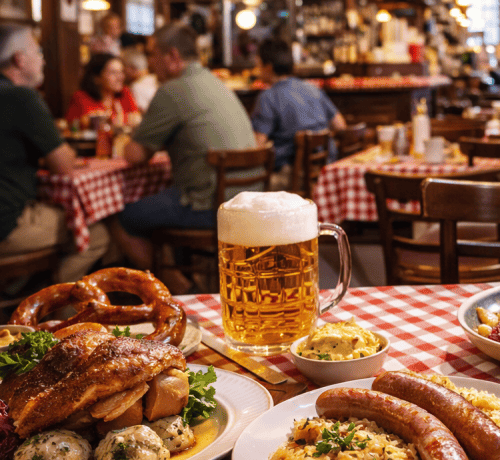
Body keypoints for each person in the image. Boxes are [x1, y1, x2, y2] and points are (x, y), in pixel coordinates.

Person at [0, 24, 110, 284]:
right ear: (19, 59)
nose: (43, 59)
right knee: (97, 234)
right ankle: (48, 309)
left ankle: (13, 296)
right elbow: (63, 165)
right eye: (38, 51)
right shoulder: (22, 98)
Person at [110, 21, 257, 293]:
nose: (150, 64)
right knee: (162, 199)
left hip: (209, 206)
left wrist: (122, 137)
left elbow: (135, 155)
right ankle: (184, 281)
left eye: (153, 55)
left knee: (120, 219)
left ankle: (179, 292)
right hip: (244, 199)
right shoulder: (215, 81)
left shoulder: (172, 90)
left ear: (173, 57)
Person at [250, 38, 345, 190]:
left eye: (258, 64)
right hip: (323, 174)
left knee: (246, 188)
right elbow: (340, 125)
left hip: (291, 178)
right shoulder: (312, 88)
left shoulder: (268, 96)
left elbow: (257, 146)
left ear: (268, 67)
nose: (256, 70)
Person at [65, 53, 141, 128]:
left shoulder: (125, 93)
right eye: (113, 73)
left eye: (121, 72)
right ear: (96, 78)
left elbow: (136, 118)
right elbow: (73, 125)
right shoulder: (80, 97)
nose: (120, 77)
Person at [121, 46, 157, 113]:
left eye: (123, 68)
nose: (121, 73)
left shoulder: (136, 87)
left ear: (131, 68)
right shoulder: (156, 78)